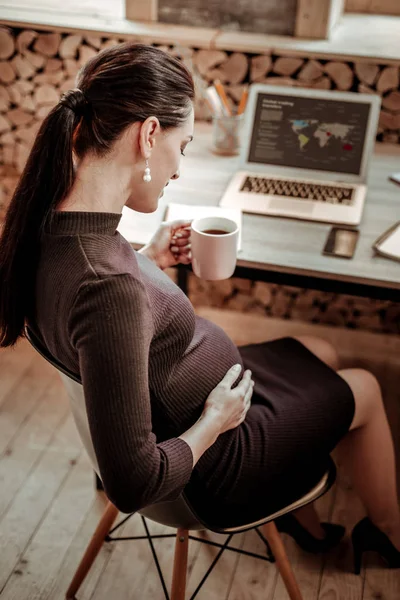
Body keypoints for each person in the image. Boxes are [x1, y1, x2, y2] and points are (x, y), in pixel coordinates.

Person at [0, 42, 399, 572]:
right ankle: (390, 533)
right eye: (182, 146)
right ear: (147, 135)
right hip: (212, 464)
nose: (180, 168)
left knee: (319, 348)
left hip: (199, 399)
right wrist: (214, 421)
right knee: (367, 388)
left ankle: (298, 509)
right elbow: (133, 483)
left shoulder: (53, 219)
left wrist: (150, 257)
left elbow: (99, 301)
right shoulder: (106, 288)